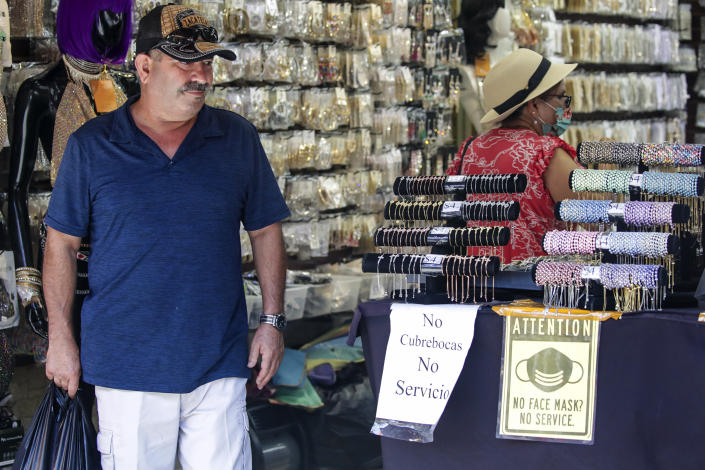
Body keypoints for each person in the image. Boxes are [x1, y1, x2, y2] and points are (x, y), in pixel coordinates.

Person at [42, 4, 290, 469]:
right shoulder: (93, 146)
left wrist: (273, 321)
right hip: (127, 367)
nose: (202, 76)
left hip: (216, 362)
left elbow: (265, 230)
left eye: (208, 63)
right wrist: (61, 340)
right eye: (185, 62)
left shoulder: (236, 138)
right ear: (144, 66)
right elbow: (60, 244)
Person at [8, 0, 137, 340]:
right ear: (79, 17)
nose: (115, 23)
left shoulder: (133, 85)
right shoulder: (39, 92)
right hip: (70, 246)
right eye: (106, 14)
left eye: (121, 15)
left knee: (130, 352)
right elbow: (16, 192)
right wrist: (28, 284)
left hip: (130, 243)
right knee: (73, 367)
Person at [446, 48, 581, 263]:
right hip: (534, 288)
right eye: (560, 97)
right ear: (534, 105)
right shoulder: (545, 155)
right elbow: (596, 217)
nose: (564, 106)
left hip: (480, 281)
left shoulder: (470, 149)